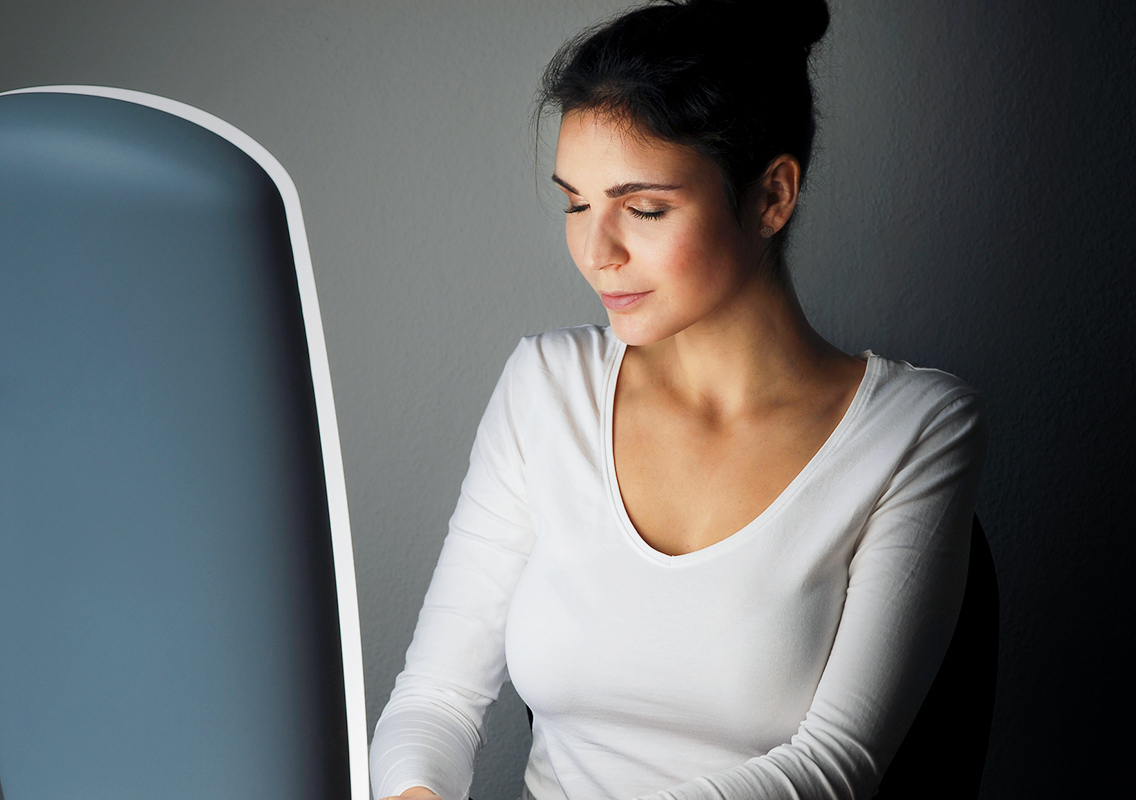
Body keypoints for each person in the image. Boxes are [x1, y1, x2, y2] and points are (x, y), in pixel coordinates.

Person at [369, 1, 986, 799]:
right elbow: (436, 698)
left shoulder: (916, 428)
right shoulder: (545, 386)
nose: (598, 252)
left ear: (770, 197)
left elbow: (835, 767)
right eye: (576, 204)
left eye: (646, 209)